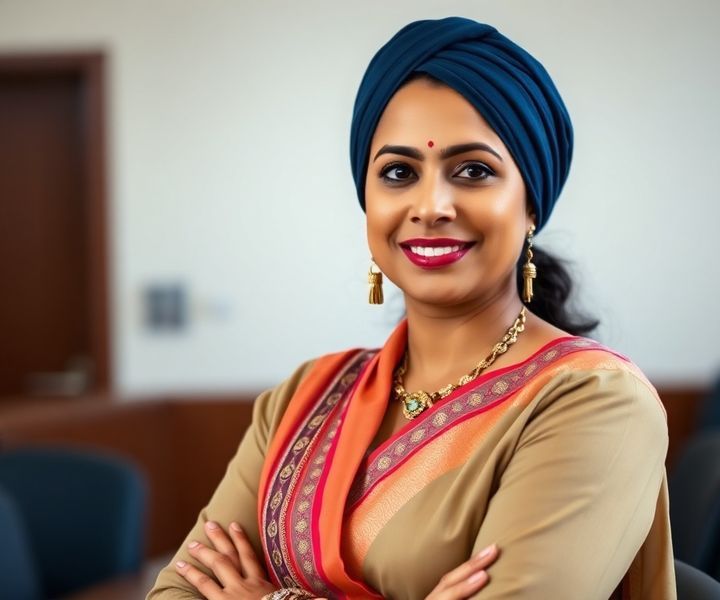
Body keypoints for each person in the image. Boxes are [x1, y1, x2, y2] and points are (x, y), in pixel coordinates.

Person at [147, 16, 676, 600]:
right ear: (367, 202)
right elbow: (179, 590)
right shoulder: (305, 397)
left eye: (473, 171)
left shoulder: (595, 403)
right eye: (398, 173)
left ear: (531, 206)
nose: (431, 206)